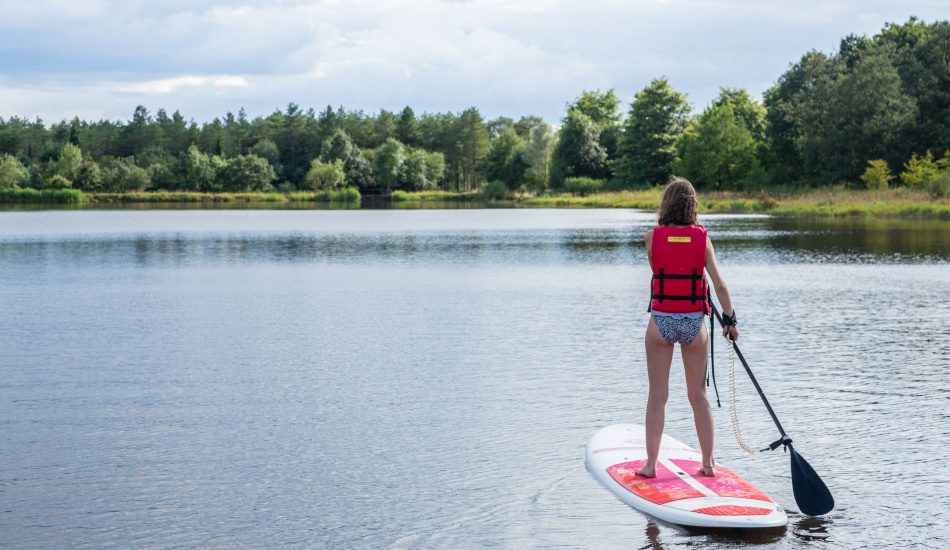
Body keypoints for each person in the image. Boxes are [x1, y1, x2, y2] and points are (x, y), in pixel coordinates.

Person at [634, 177, 739, 479]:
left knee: (657, 395)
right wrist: (730, 321)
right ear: (693, 205)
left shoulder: (652, 237)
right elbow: (719, 284)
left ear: (666, 203)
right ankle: (708, 464)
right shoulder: (703, 239)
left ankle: (651, 466)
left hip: (662, 322)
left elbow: (658, 270)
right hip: (695, 324)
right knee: (699, 396)